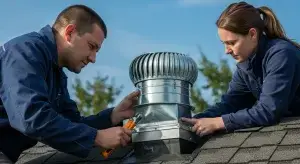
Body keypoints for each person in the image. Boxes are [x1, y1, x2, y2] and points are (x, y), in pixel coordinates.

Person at [0, 4, 140, 163]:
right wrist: (98, 137)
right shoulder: (24, 51)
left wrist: (114, 115)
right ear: (70, 32)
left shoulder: (56, 73)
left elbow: (72, 125)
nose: (93, 58)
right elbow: (30, 117)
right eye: (91, 46)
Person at [182, 1, 300, 136]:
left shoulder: (281, 54)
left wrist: (217, 122)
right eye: (224, 44)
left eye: (232, 43)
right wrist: (196, 120)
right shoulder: (246, 67)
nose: (227, 51)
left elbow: (268, 110)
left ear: (252, 34)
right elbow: (230, 104)